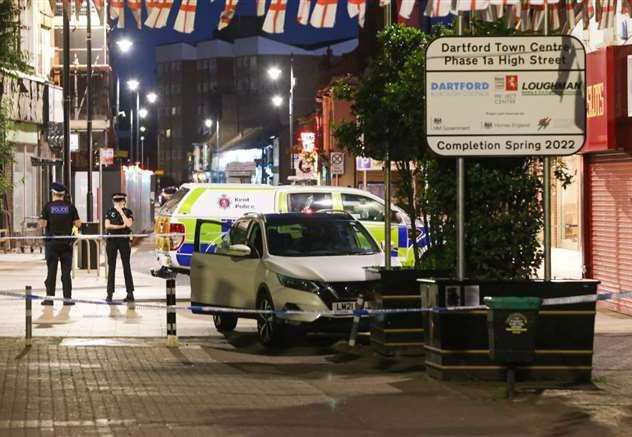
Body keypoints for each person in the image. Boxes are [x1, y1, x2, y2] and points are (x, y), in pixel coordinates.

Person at [39, 182, 81, 306]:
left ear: (53, 193)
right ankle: (67, 299)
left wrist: (41, 220)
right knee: (66, 273)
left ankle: (50, 299)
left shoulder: (48, 206)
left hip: (52, 244)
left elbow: (43, 224)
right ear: (63, 195)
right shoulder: (70, 207)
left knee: (51, 272)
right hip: (66, 244)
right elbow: (78, 223)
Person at [105, 192, 135, 303]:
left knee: (126, 266)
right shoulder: (109, 212)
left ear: (124, 201)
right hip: (112, 241)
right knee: (111, 267)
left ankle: (130, 293)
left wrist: (121, 212)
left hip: (124, 241)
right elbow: (107, 225)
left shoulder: (128, 212)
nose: (117, 203)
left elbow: (128, 224)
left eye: (119, 201)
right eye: (115, 201)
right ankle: (109, 293)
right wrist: (120, 226)